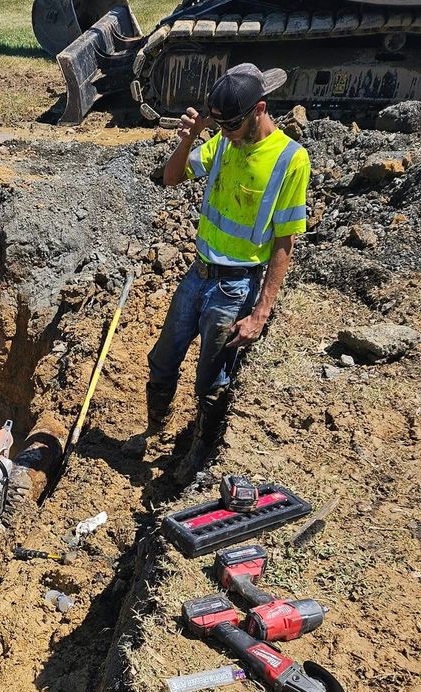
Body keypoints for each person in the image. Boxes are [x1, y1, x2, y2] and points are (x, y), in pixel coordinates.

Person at [132, 62, 311, 484]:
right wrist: (189, 139)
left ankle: (196, 457)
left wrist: (260, 313)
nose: (226, 132)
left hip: (236, 286)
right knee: (163, 359)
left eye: (233, 124)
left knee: (211, 379)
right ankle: (154, 430)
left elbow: (284, 243)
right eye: (221, 125)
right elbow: (172, 178)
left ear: (260, 108)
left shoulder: (289, 159)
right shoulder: (223, 143)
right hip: (199, 273)